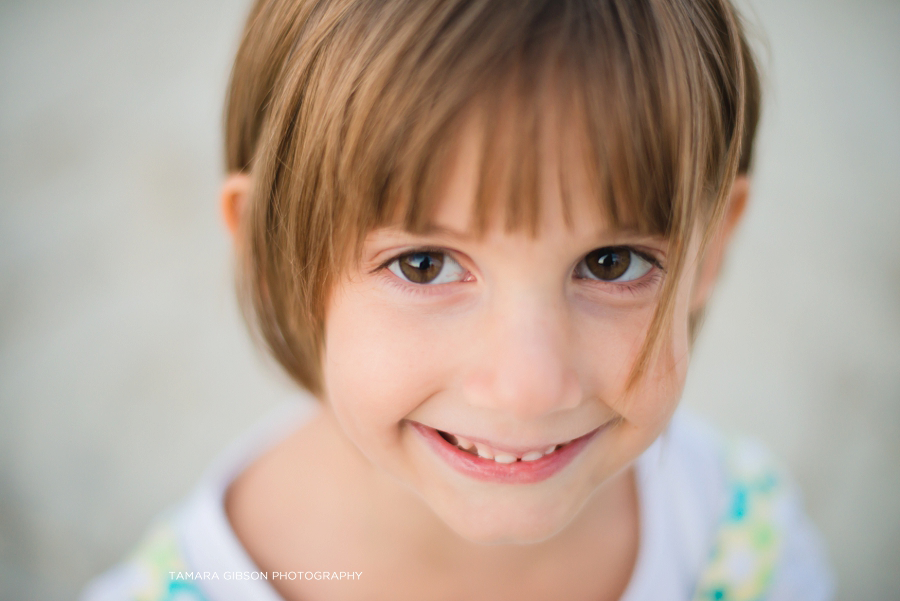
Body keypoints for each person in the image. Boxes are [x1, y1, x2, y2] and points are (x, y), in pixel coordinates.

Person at [83, 0, 834, 599]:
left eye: (611, 262)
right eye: (424, 264)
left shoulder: (741, 539)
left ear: (710, 250)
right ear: (274, 251)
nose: (530, 386)